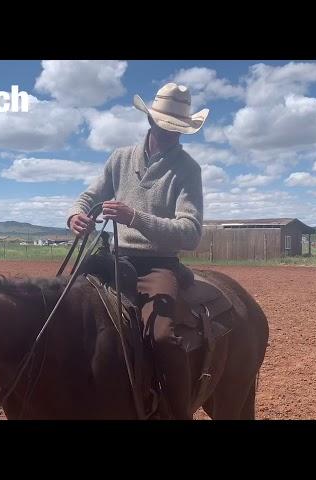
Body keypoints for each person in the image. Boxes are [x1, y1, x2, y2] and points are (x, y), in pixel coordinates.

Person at [67, 83, 207, 419]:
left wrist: (135, 217)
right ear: (151, 120)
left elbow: (190, 233)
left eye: (177, 129)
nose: (171, 133)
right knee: (63, 305)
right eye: (165, 125)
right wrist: (77, 214)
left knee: (161, 336)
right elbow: (90, 195)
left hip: (159, 265)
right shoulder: (120, 158)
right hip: (115, 259)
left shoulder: (188, 170)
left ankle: (177, 411)